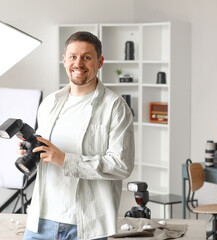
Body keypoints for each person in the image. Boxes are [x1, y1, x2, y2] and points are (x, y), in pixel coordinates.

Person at [21, 31, 135, 240]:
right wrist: (33, 150)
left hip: (87, 226)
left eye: (86, 57)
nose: (78, 63)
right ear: (64, 61)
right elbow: (47, 153)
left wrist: (65, 160)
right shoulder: (49, 103)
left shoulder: (115, 107)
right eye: (73, 56)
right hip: (41, 222)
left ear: (100, 62)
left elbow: (122, 165)